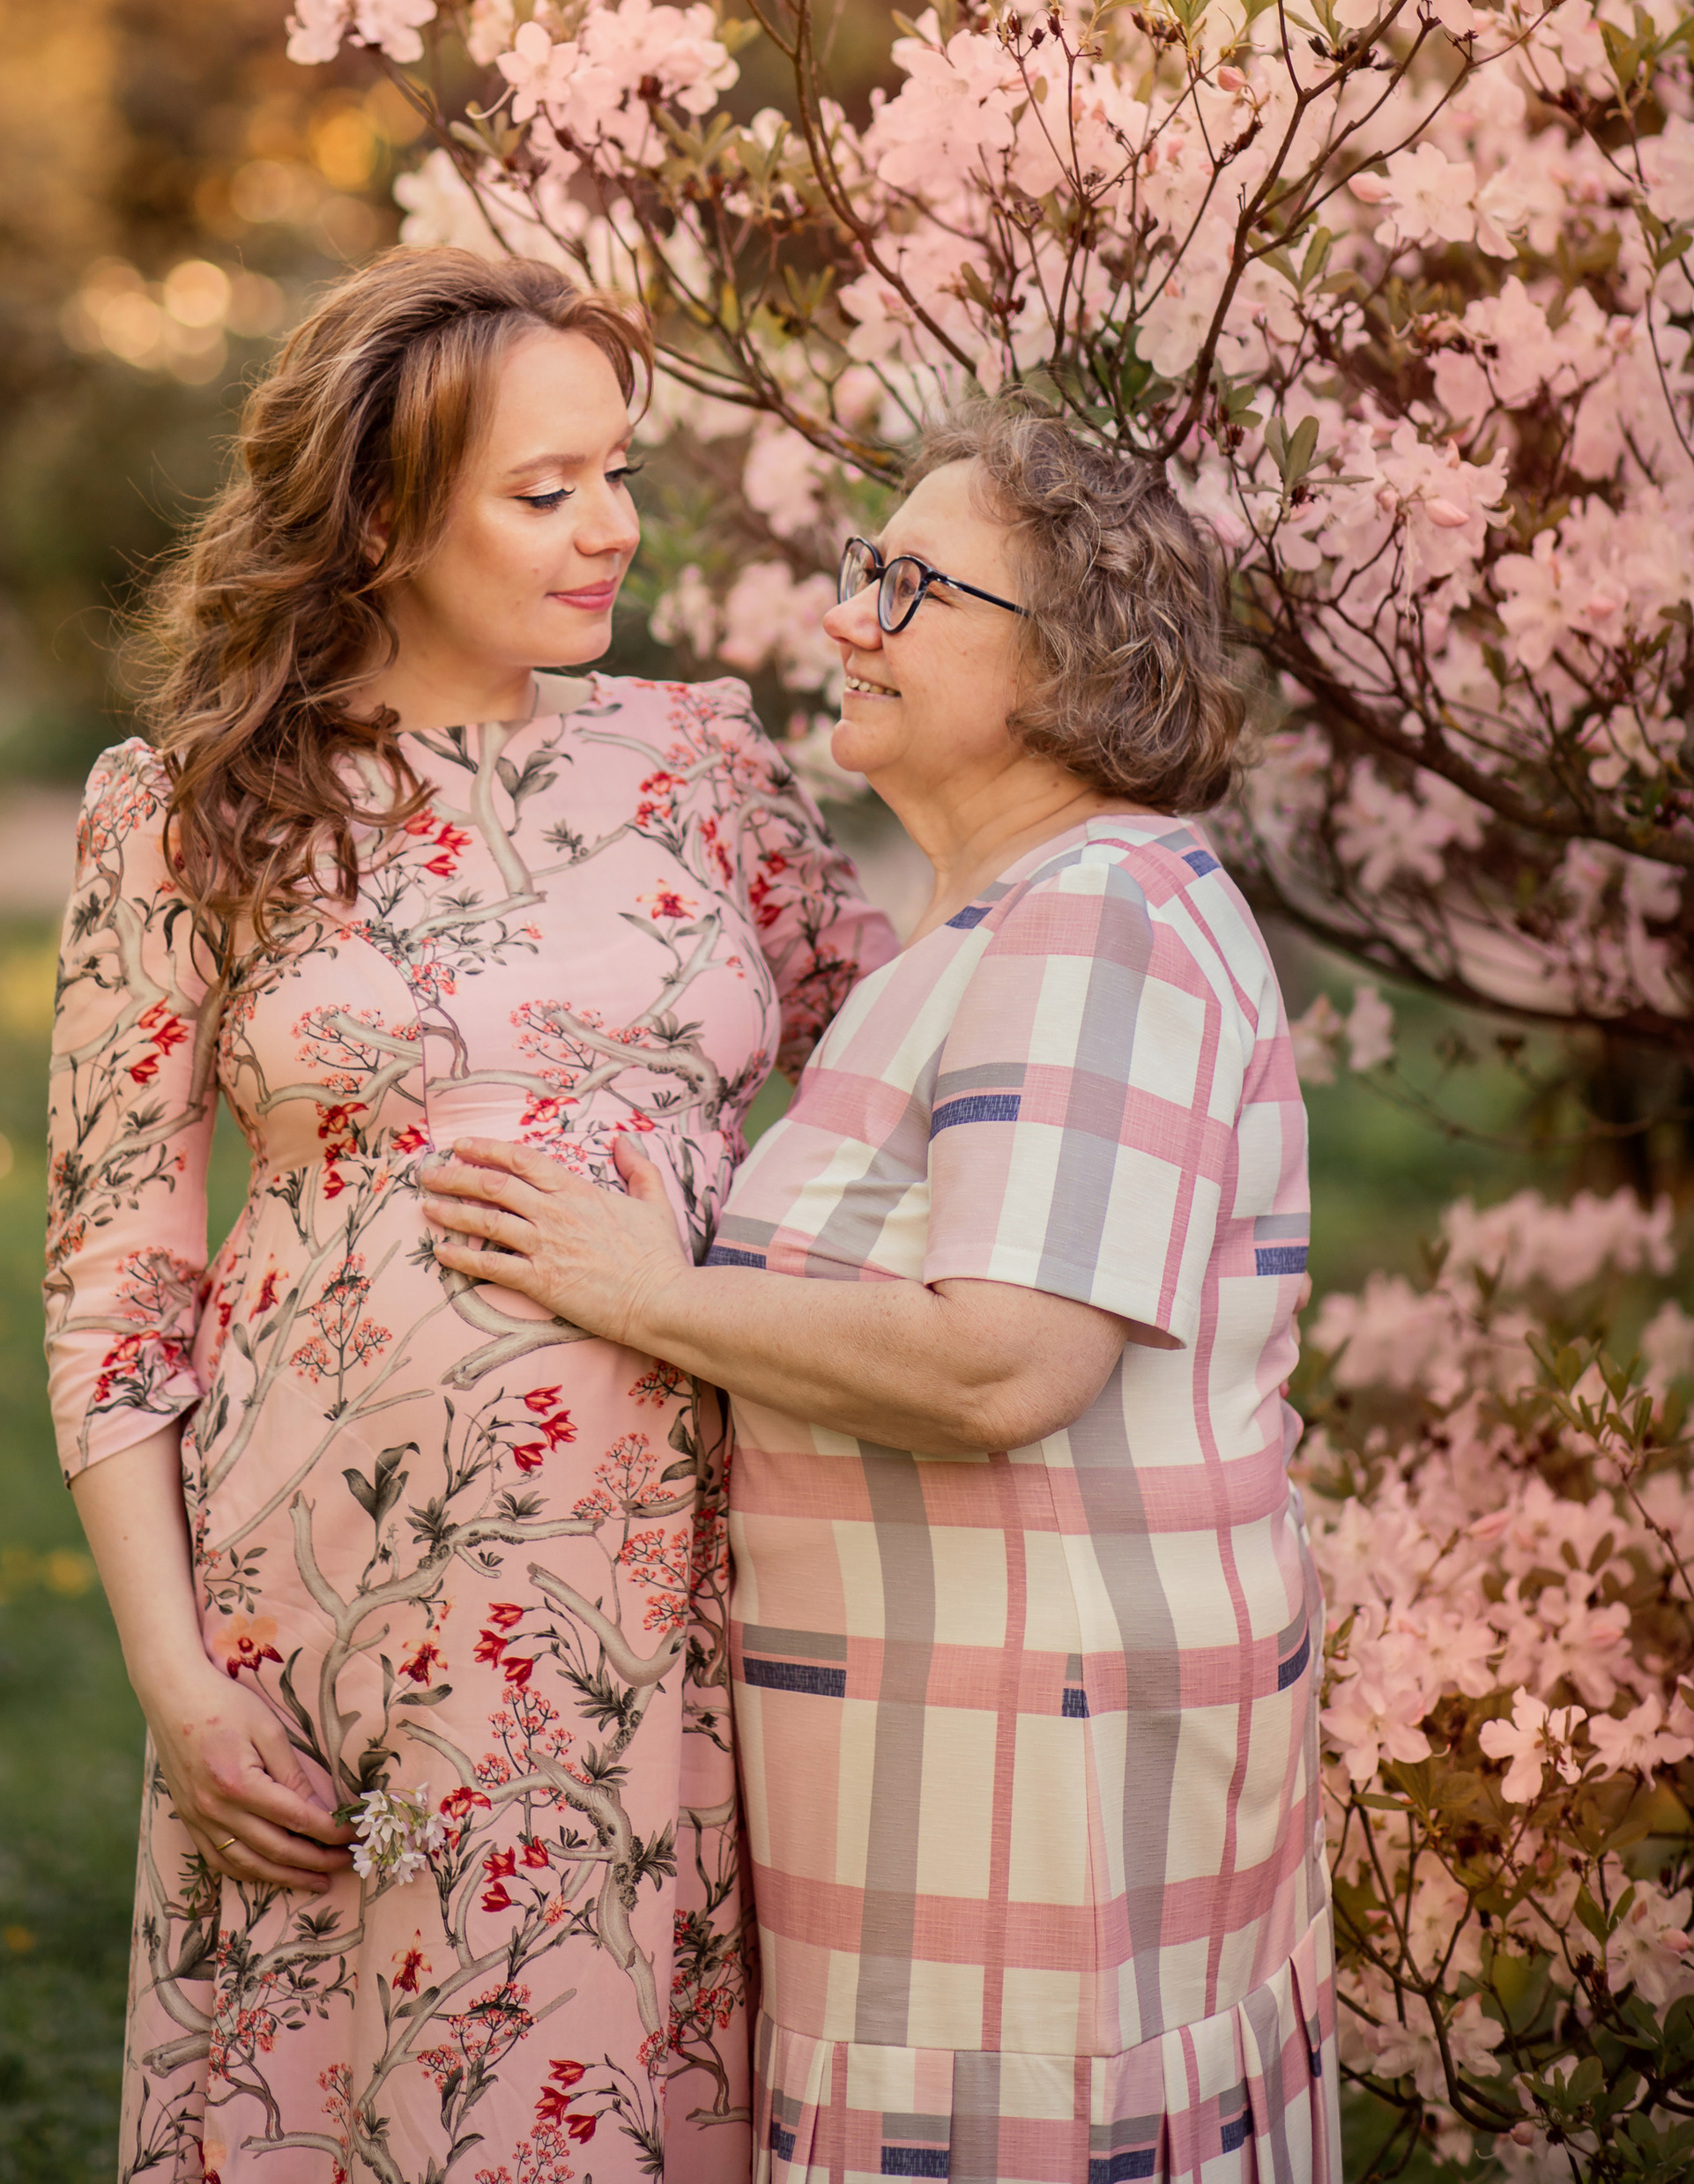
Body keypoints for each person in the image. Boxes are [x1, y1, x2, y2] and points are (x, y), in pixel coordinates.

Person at [43, 245, 895, 2184]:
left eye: (617, 473)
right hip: (336, 1601)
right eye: (544, 490)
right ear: (377, 514)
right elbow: (113, 1276)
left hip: (678, 1582)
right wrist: (174, 1677)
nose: (610, 529)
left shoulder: (702, 769)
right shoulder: (186, 812)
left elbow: (889, 1088)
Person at [422, 398, 1339, 2184]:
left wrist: (637, 1288)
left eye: (907, 586)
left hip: (1034, 1833)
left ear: (1064, 660)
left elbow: (1001, 1364)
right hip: (961, 1803)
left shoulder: (1095, 921)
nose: (845, 618)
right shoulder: (1005, 926)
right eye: (861, 572)